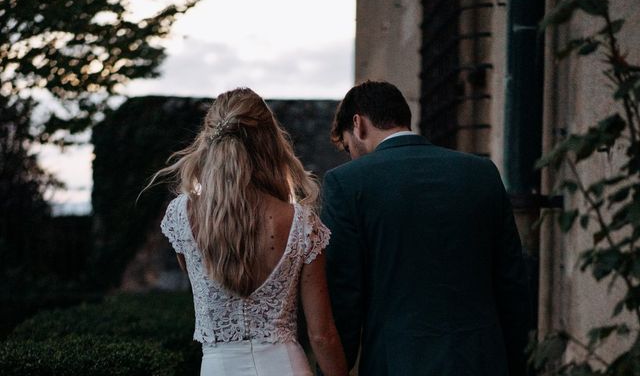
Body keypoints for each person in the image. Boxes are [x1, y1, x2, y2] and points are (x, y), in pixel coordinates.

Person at [321, 80, 532, 376]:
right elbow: (512, 281)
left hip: (397, 362)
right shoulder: (481, 173)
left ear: (358, 124)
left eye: (347, 146)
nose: (352, 156)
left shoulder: (347, 183)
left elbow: (343, 294)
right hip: (482, 359)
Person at [152, 88, 348, 376]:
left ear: (207, 140)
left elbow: (196, 281)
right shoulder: (301, 224)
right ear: (270, 145)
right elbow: (321, 335)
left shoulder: (182, 215)